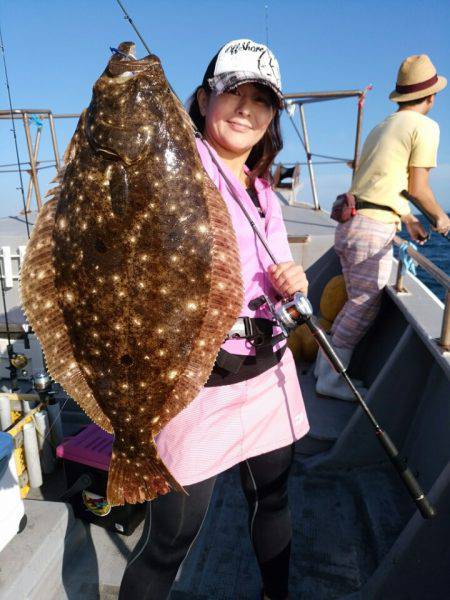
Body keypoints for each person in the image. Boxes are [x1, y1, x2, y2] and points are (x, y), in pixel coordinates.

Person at [119, 39, 310, 600]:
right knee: (170, 539)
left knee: (272, 500)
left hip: (268, 370)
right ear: (204, 99)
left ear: (272, 116)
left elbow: (274, 274)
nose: (246, 109)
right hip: (195, 382)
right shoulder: (170, 168)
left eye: (262, 100)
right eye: (234, 93)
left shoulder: (265, 192)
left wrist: (290, 284)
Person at [315, 54, 450, 401]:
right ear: (432, 97)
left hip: (351, 224)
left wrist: (407, 218)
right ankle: (329, 381)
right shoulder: (425, 127)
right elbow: (418, 188)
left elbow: (383, 183)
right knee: (362, 306)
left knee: (353, 303)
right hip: (372, 228)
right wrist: (440, 218)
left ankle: (321, 369)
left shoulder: (383, 126)